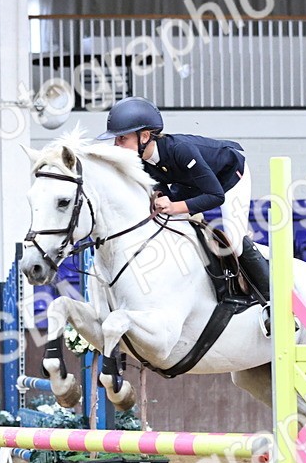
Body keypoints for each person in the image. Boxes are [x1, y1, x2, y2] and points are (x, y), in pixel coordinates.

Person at [96, 96, 271, 322]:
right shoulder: (143, 162)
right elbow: (161, 193)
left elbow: (215, 195)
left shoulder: (181, 150)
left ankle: (271, 303)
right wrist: (160, 199)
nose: (116, 145)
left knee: (235, 242)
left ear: (145, 136)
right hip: (191, 183)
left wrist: (174, 206)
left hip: (228, 178)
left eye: (122, 138)